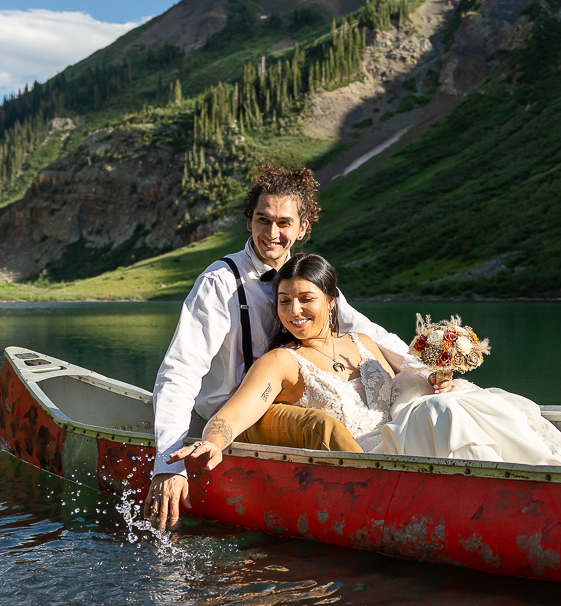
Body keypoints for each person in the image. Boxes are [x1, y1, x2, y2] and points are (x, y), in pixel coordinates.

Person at [147, 165, 432, 528]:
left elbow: (370, 333)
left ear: (302, 228)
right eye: (262, 220)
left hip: (295, 392)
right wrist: (169, 463)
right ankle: (386, 505)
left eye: (284, 222)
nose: (271, 233)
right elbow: (180, 371)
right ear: (248, 221)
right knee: (321, 426)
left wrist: (426, 371)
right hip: (239, 413)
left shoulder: (308, 279)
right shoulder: (220, 283)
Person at [169, 254, 561, 473]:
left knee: (456, 401)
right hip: (372, 456)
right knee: (440, 412)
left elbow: (407, 383)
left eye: (306, 299)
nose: (294, 311)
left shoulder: (361, 341)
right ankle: (520, 483)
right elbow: (235, 413)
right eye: (284, 301)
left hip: (406, 434)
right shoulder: (282, 361)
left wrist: (438, 378)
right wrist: (213, 442)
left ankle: (536, 472)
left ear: (331, 301)